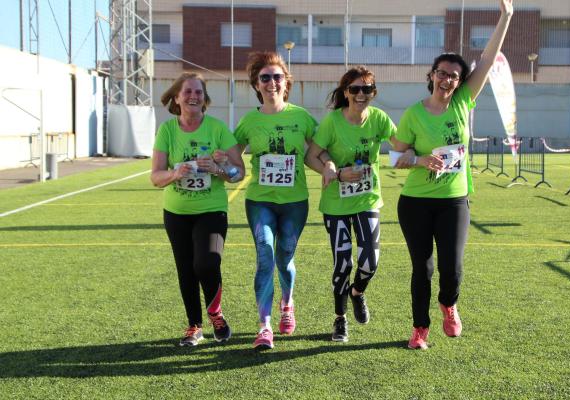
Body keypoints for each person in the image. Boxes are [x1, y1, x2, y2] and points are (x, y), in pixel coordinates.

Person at [393, 0, 514, 349]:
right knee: (423, 269)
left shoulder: (462, 102)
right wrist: (420, 160)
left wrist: (506, 16)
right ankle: (420, 328)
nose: (447, 79)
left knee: (452, 268)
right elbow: (395, 156)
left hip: (453, 202)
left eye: (454, 75)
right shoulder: (414, 114)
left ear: (460, 82)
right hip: (415, 202)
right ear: (432, 75)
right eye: (442, 72)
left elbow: (489, 60)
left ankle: (449, 303)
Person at [234, 51, 320, 350]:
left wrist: (332, 166)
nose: (271, 82)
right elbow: (233, 154)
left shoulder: (301, 117)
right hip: (260, 201)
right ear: (256, 84)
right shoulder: (249, 121)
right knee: (265, 257)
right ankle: (264, 325)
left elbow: (320, 148)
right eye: (265, 78)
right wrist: (227, 166)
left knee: (284, 257)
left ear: (286, 82)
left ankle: (287, 303)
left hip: (295, 202)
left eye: (277, 77)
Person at [151, 72, 245, 346]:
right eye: (188, 92)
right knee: (186, 269)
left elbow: (239, 172)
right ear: (176, 98)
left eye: (199, 93)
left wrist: (219, 167)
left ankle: (216, 313)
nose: (194, 96)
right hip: (177, 213)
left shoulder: (217, 129)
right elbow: (155, 177)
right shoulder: (167, 131)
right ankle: (194, 325)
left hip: (211, 210)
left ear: (205, 99)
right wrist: (174, 173)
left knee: (207, 262)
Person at [306, 66, 396, 342]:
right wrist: (330, 169)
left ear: (374, 93)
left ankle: (357, 292)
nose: (360, 94)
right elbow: (312, 156)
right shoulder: (333, 121)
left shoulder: (379, 119)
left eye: (366, 89)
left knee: (371, 260)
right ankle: (340, 318)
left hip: (367, 199)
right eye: (355, 89)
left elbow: (402, 143)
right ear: (345, 92)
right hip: (336, 204)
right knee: (342, 264)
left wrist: (420, 153)